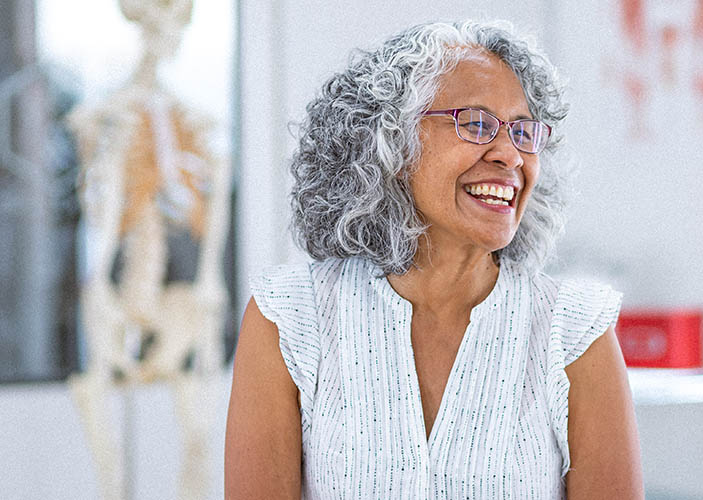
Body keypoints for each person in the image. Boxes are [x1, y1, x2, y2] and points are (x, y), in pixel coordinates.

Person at [225, 20, 643, 499]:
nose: (510, 154)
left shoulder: (574, 331)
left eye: (524, 131)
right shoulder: (292, 319)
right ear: (392, 143)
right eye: (476, 123)